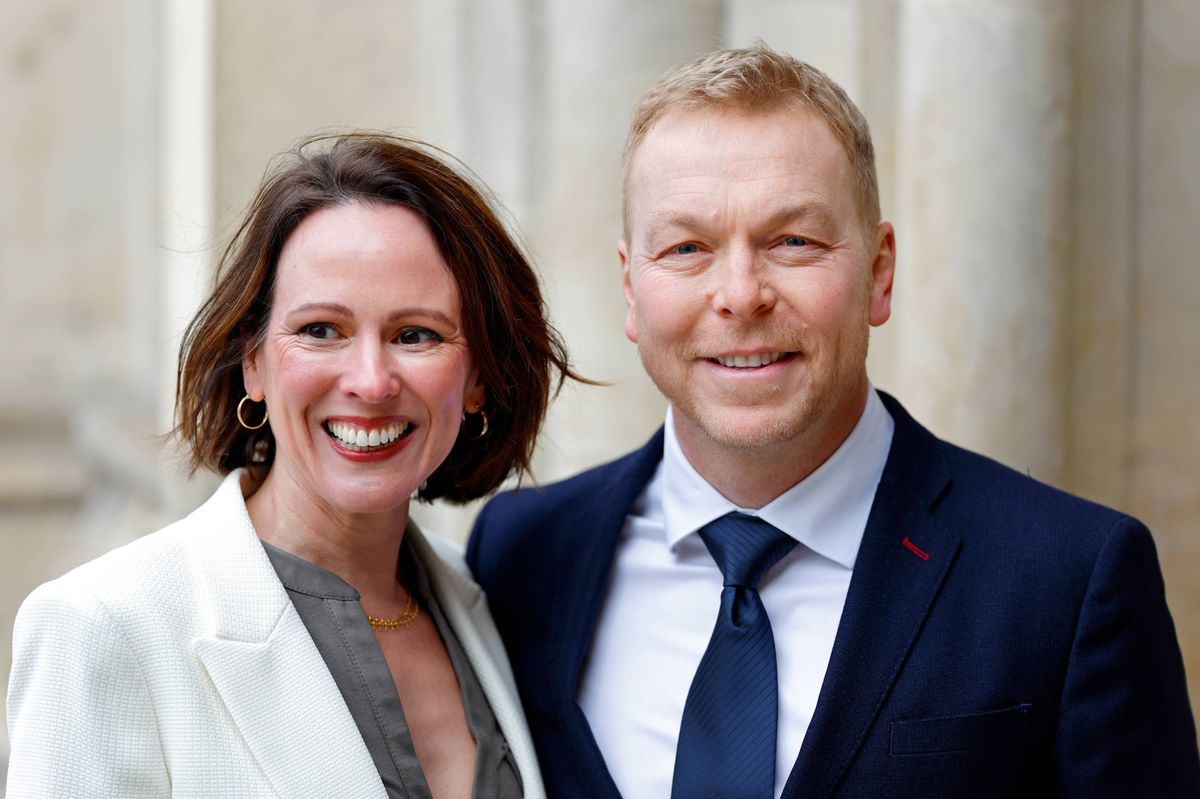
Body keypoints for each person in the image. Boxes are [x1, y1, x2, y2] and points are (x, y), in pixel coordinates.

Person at [466, 45, 1200, 798]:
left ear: (879, 272)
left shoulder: (1070, 578)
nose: (741, 294)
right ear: (630, 287)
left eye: (794, 242)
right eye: (687, 247)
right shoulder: (522, 556)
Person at [6, 133, 570, 798]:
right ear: (253, 362)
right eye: (321, 330)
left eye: (415, 334)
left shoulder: (484, 601)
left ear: (478, 375)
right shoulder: (103, 627)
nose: (370, 380)